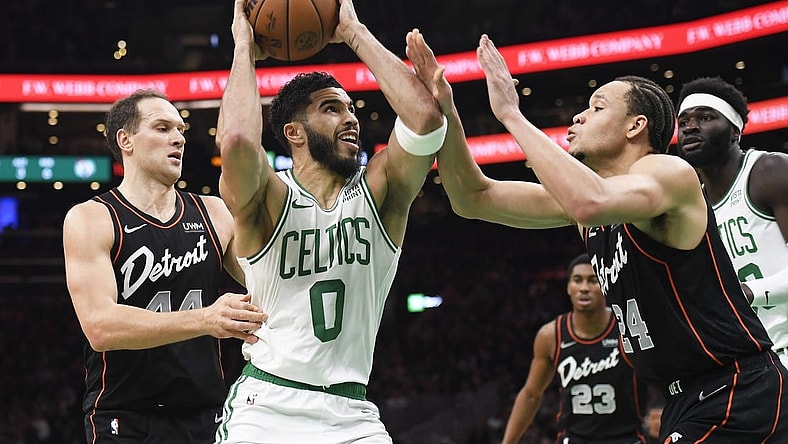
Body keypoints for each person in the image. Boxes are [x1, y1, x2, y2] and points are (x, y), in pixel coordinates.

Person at [404, 32, 788, 442]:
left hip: (737, 390)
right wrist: (445, 113)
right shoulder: (592, 205)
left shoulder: (668, 173)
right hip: (685, 400)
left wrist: (511, 115)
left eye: (597, 107)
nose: (578, 118)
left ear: (635, 126)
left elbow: (590, 201)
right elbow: (473, 198)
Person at [213, 0, 446, 442]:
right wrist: (244, 46)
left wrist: (353, 32)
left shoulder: (380, 189)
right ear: (294, 133)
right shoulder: (269, 197)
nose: (351, 118)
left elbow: (427, 122)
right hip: (267, 406)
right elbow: (238, 139)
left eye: (350, 108)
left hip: (352, 411)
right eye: (331, 109)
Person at [63, 89, 267, 444]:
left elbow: (267, 283)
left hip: (206, 414)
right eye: (162, 128)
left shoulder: (213, 213)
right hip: (124, 417)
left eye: (180, 129)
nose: (178, 138)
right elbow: (100, 326)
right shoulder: (92, 218)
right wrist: (206, 319)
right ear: (125, 140)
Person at [676, 77, 788, 368]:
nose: (690, 127)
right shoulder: (694, 205)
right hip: (755, 360)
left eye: (705, 117)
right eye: (683, 121)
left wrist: (749, 291)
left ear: (735, 131)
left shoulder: (771, 171)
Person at [502, 253, 649, 444]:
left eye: (593, 281)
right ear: (569, 287)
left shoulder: (628, 328)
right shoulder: (551, 336)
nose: (584, 288)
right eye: (577, 280)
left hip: (626, 438)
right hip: (574, 438)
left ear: (605, 284)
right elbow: (531, 394)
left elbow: (662, 376)